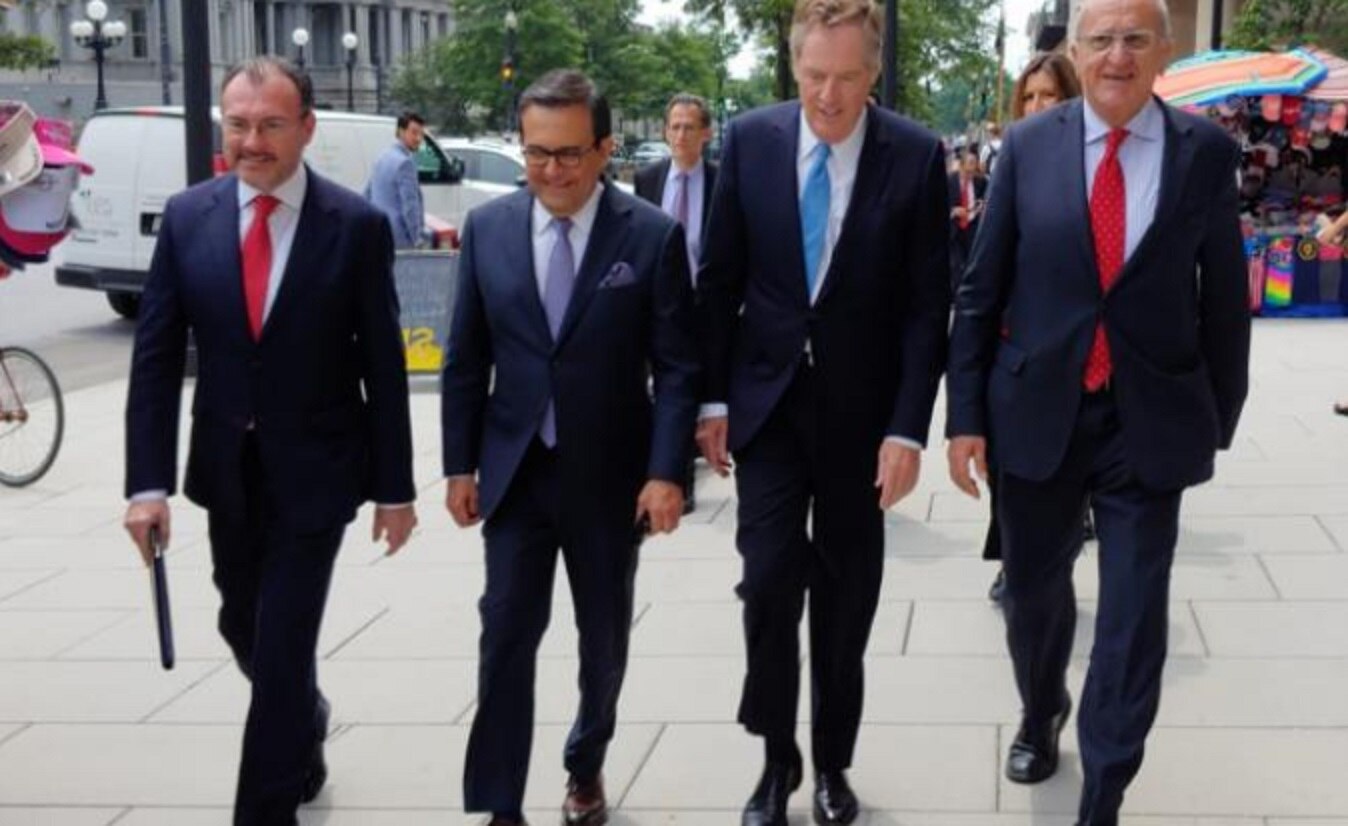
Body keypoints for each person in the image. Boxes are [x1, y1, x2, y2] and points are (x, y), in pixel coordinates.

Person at [945, 0, 1250, 821]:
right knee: (1033, 596)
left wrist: (1218, 417)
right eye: (1101, 40)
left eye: (1135, 39)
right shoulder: (1031, 147)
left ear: (1165, 51)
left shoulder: (1205, 154)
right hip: (1037, 410)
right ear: (1077, 52)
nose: (1118, 56)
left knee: (1132, 613)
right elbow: (981, 289)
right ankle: (1042, 706)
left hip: (1147, 419)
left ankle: (1105, 790)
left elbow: (1225, 299)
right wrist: (964, 413)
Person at [122, 57, 417, 825]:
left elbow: (383, 367)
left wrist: (396, 489)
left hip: (319, 472)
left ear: (307, 129)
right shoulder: (188, 217)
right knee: (242, 624)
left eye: (270, 125)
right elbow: (155, 360)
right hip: (227, 469)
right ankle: (305, 723)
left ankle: (265, 808)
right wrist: (144, 487)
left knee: (283, 642)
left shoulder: (354, 226)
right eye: (238, 125)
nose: (251, 142)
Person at [697, 0, 950, 822]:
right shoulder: (751, 141)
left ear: (873, 73)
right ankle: (777, 761)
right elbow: (720, 281)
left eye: (846, 78)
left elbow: (925, 308)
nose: (828, 95)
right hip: (767, 408)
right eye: (813, 76)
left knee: (846, 602)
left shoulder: (914, 157)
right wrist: (708, 399)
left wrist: (909, 429)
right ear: (793, 65)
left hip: (862, 421)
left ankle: (835, 764)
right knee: (769, 586)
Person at [442, 69, 699, 826]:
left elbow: (679, 369)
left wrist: (665, 473)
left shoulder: (649, 236)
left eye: (568, 154)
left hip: (609, 479)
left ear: (605, 149)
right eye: (536, 154)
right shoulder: (489, 231)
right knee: (505, 637)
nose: (551, 170)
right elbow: (465, 357)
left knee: (603, 640)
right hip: (516, 475)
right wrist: (459, 464)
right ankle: (499, 803)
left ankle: (585, 764)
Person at [985, 51, 1087, 605]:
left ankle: (1050, 560)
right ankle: (1014, 562)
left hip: (1075, 351)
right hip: (1014, 349)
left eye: (1049, 96)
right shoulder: (1012, 160)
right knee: (1011, 475)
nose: (1038, 106)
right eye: (1029, 97)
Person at [635, 91, 718, 514]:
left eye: (689, 127)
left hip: (702, 305)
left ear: (706, 133)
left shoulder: (721, 181)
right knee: (664, 390)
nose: (681, 134)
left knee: (688, 388)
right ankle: (669, 475)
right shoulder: (647, 179)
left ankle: (682, 478)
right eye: (674, 126)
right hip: (656, 304)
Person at [364, 110, 427, 249]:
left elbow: (367, 195)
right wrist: (417, 239)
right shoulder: (405, 163)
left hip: (379, 235)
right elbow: (410, 206)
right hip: (400, 239)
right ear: (401, 132)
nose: (419, 138)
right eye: (414, 132)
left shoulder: (381, 158)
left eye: (421, 134)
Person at [947, 148, 987, 290]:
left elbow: (986, 200)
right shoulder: (949, 181)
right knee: (956, 265)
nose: (973, 169)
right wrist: (953, 211)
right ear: (962, 165)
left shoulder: (980, 182)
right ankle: (956, 294)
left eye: (975, 164)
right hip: (955, 228)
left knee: (972, 262)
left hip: (972, 226)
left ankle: (967, 291)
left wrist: (982, 206)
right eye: (970, 164)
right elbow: (937, 204)